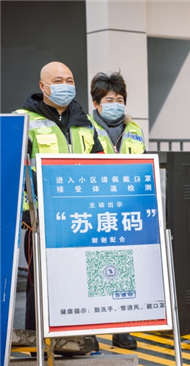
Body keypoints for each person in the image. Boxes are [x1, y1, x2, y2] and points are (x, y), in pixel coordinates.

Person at [15, 61, 104, 353]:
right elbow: (15, 169)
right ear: (43, 87)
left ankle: (74, 341)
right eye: (58, 80)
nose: (65, 85)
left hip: (80, 217)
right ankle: (36, 340)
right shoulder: (23, 120)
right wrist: (27, 212)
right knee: (39, 283)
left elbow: (100, 164)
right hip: (41, 218)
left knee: (79, 278)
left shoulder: (84, 120)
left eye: (69, 79)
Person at [86, 71, 145, 349]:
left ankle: (122, 329)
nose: (115, 104)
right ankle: (91, 332)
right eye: (109, 99)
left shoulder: (134, 130)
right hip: (94, 210)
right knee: (95, 273)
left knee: (123, 274)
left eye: (120, 99)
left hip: (125, 210)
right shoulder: (83, 127)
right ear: (96, 104)